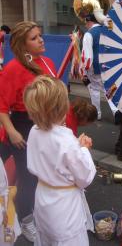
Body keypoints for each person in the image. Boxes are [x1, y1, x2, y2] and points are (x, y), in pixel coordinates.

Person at [0, 21, 57, 242]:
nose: (41, 40)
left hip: (45, 124)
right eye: (34, 38)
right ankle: (25, 220)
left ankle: (37, 213)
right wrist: (12, 132)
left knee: (44, 173)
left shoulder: (49, 63)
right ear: (23, 45)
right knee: (28, 176)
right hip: (21, 126)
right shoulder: (13, 69)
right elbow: (2, 106)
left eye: (40, 36)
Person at [23, 75, 96, 246]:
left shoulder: (34, 130)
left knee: (46, 237)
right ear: (62, 106)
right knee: (67, 240)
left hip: (43, 196)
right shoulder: (67, 141)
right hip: (64, 206)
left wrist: (77, 148)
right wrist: (84, 149)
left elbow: (51, 156)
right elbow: (84, 177)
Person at [78, 14, 118, 121]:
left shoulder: (89, 34)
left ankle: (97, 114)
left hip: (95, 68)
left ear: (89, 21)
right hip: (109, 66)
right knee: (108, 89)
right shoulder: (106, 30)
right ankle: (116, 111)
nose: (85, 25)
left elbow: (88, 56)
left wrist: (84, 70)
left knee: (94, 89)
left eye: (86, 22)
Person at [0, 157, 21, 245]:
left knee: (7, 236)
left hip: (5, 204)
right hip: (3, 209)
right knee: (6, 238)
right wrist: (2, 212)